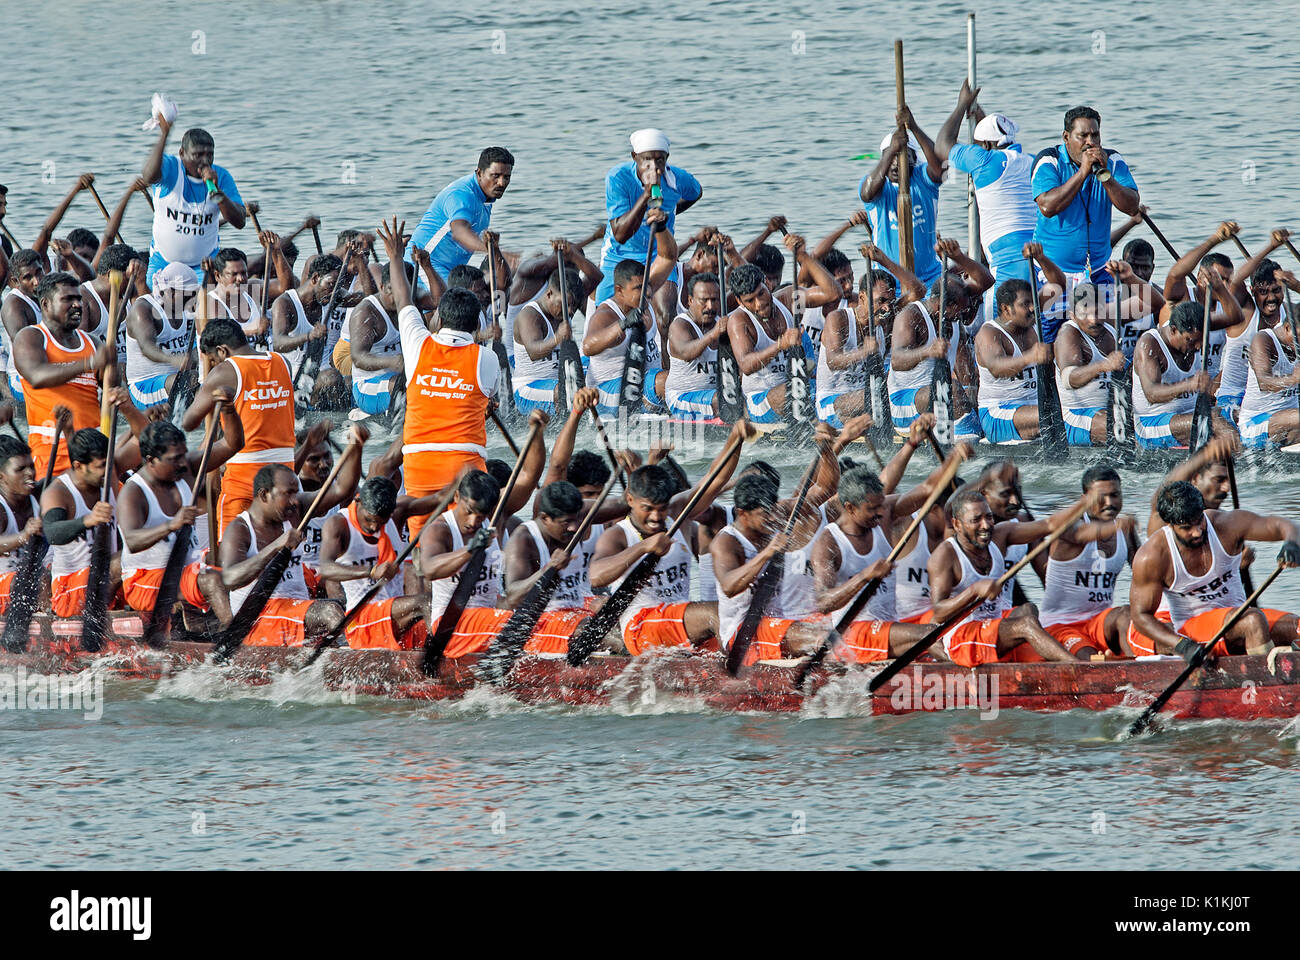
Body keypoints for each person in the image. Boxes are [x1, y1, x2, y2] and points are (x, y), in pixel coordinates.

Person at [379, 217, 498, 542]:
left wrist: (394, 257)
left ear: (439, 319)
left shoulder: (418, 345)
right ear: (476, 326)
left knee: (423, 544)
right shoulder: (486, 358)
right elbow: (487, 399)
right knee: (471, 542)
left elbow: (404, 300)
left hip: (420, 463)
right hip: (466, 465)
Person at [588, 424, 748, 656]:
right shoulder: (618, 534)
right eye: (647, 509)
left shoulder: (678, 512)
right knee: (717, 613)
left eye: (661, 509)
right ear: (630, 500)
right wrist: (644, 546)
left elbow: (716, 478)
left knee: (739, 613)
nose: (655, 517)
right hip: (641, 626)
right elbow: (596, 574)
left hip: (677, 618)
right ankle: (740, 672)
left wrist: (736, 438)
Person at [809, 455, 965, 663]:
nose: (881, 513)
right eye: (872, 509)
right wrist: (865, 576)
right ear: (850, 508)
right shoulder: (828, 543)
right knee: (931, 634)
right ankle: (966, 684)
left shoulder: (882, 518)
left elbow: (929, 488)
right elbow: (823, 603)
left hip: (888, 626)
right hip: (852, 634)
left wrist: (955, 457)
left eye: (881, 505)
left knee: (949, 632)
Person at [1128, 481, 1300, 658]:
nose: (1197, 532)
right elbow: (1141, 617)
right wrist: (1181, 646)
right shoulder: (1152, 556)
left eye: (1199, 521)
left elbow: (1287, 526)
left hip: (1238, 616)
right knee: (1253, 621)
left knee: (1297, 627)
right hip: (1193, 630)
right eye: (1187, 527)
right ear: (1170, 525)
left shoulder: (1226, 525)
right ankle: (1266, 679)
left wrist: (1292, 544)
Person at [219, 444, 363, 646]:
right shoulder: (240, 528)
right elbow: (230, 578)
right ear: (264, 495)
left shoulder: (295, 511)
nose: (295, 501)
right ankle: (352, 663)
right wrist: (276, 546)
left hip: (295, 609)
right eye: (288, 493)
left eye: (296, 493)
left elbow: (342, 490)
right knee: (330, 613)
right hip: (259, 618)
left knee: (352, 606)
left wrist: (356, 447)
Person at [927, 488, 1079, 665]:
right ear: (957, 524)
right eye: (976, 520)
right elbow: (938, 612)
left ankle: (1036, 659)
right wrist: (974, 591)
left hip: (992, 622)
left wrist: (1084, 503)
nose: (985, 525)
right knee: (1026, 625)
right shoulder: (945, 555)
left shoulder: (1000, 536)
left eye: (989, 517)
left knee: (1028, 609)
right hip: (961, 637)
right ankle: (1081, 669)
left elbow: (1049, 525)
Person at [118, 416, 242, 622]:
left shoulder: (186, 468)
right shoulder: (133, 493)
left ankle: (199, 619)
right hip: (146, 580)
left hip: (184, 570)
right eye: (175, 459)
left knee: (235, 556)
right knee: (211, 580)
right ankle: (237, 640)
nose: (183, 463)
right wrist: (171, 524)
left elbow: (233, 443)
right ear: (151, 461)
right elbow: (132, 541)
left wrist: (229, 409)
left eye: (183, 455)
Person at [183, 316, 296, 532]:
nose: (214, 365)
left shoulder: (226, 371)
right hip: (285, 473)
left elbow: (189, 422)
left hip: (244, 475)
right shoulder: (283, 362)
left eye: (213, 360)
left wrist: (207, 388)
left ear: (222, 351)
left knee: (230, 547)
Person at [710, 473, 831, 664]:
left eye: (774, 509)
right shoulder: (726, 542)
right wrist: (767, 552)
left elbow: (825, 489)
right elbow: (729, 587)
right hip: (745, 633)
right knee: (823, 638)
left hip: (782, 619)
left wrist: (827, 449)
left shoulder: (774, 517)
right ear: (742, 513)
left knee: (843, 628)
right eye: (765, 513)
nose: (774, 517)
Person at [727, 237, 841, 425]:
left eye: (761, 294)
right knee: (793, 389)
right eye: (750, 301)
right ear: (739, 302)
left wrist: (803, 256)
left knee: (828, 387)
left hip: (802, 388)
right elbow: (746, 365)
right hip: (762, 401)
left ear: (766, 282)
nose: (759, 303)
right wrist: (780, 345)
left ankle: (829, 419)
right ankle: (820, 421)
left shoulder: (788, 298)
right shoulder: (739, 320)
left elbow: (833, 293)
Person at [595, 128, 702, 323]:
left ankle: (664, 352)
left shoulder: (678, 179)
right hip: (620, 255)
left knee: (664, 316)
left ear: (667, 157)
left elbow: (696, 192)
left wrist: (670, 212)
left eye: (660, 160)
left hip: (659, 256)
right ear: (634, 157)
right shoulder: (617, 178)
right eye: (646, 160)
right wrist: (646, 195)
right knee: (606, 314)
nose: (654, 167)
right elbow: (620, 234)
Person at [935, 82, 1037, 285]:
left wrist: (962, 104)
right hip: (1038, 248)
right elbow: (993, 141)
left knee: (1006, 314)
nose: (976, 149)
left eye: (978, 145)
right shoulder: (1033, 161)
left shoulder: (984, 160)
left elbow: (942, 145)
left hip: (1006, 255)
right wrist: (977, 111)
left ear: (987, 146)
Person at [13, 273, 110, 478]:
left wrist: (112, 367)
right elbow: (37, 377)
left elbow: (113, 392)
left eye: (79, 299)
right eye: (68, 299)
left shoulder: (93, 343)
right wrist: (89, 363)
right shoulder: (31, 337)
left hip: (94, 454)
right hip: (51, 452)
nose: (77, 305)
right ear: (46, 304)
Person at [1031, 106, 1139, 286]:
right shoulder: (1049, 160)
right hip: (1052, 272)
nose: (1090, 142)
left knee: (1104, 314)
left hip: (1098, 270)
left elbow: (1132, 206)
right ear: (1066, 137)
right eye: (1083, 136)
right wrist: (1083, 172)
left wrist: (1106, 177)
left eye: (1095, 135)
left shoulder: (1112, 160)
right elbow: (1047, 207)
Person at [1037, 466, 1137, 659]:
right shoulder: (1069, 526)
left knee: (1127, 614)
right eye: (1101, 497)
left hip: (1100, 622)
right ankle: (1111, 664)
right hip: (1060, 625)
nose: (1109, 503)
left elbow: (1147, 573)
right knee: (1090, 659)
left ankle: (1141, 667)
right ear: (1085, 500)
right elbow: (1080, 536)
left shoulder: (1125, 531)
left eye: (1115, 495)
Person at [581, 219, 678, 416]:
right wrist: (623, 324)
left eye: (646, 286)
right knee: (667, 381)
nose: (645, 293)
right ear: (619, 290)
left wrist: (660, 227)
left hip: (643, 385)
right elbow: (588, 346)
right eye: (637, 289)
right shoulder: (606, 314)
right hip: (609, 392)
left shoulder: (643, 296)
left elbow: (669, 258)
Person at [316, 477, 427, 649]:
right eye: (369, 519)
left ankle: (432, 654)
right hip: (361, 619)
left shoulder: (395, 515)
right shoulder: (339, 524)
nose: (374, 527)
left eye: (380, 522)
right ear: (358, 500)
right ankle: (433, 659)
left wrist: (457, 488)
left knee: (432, 597)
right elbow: (326, 568)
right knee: (424, 603)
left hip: (392, 611)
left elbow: (439, 500)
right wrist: (371, 571)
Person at [974, 249, 1065, 443]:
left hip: (1034, 407)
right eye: (1025, 304)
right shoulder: (989, 333)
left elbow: (1058, 285)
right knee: (1054, 415)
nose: (1033, 308)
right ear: (1006, 309)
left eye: (1033, 302)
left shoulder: (1028, 318)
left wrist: (1041, 258)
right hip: (998, 413)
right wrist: (1030, 357)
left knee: (1060, 413)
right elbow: (997, 368)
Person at [140, 119, 246, 285]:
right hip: (163, 260)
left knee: (205, 307)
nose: (205, 161)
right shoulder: (171, 167)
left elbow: (240, 221)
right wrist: (164, 135)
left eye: (209, 155)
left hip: (204, 264)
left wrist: (218, 193)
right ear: (182, 153)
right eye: (197, 155)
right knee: (155, 303)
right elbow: (148, 176)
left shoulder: (221, 176)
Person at [886, 258, 980, 438]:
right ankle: (969, 439)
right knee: (949, 388)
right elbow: (897, 361)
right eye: (960, 310)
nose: (963, 314)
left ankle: (967, 430)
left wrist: (971, 391)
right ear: (943, 306)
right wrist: (927, 351)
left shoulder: (953, 319)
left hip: (936, 395)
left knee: (969, 389)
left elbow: (963, 362)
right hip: (905, 402)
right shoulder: (910, 316)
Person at [859, 106, 945, 287]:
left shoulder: (922, 178)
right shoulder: (876, 184)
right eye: (891, 158)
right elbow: (867, 194)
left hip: (929, 278)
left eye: (904, 156)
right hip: (887, 282)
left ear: (914, 158)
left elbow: (941, 168)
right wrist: (892, 150)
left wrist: (913, 126)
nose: (896, 164)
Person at [407, 147, 516, 282]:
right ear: (479, 173)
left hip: (451, 271)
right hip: (423, 265)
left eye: (507, 177)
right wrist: (494, 252)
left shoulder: (485, 196)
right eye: (495, 176)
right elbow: (459, 232)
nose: (502, 183)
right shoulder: (462, 195)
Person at [41, 427, 117, 617]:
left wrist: (128, 409)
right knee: (124, 562)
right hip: (70, 590)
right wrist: (88, 520)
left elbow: (142, 445)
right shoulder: (58, 493)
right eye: (101, 466)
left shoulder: (105, 478)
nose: (108, 471)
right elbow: (52, 533)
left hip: (105, 581)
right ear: (78, 466)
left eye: (109, 464)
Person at [1053, 280, 1126, 446]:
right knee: (1125, 428)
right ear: (1072, 315)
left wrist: (1128, 277)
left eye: (1098, 312)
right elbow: (1069, 379)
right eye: (1085, 314)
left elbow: (1150, 302)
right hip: (1076, 417)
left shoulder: (1110, 328)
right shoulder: (1068, 334)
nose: (1094, 320)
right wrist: (1104, 365)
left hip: (1112, 410)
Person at [1132, 300, 1213, 449]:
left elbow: (1235, 317)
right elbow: (1151, 394)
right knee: (1214, 422)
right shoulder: (1149, 344)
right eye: (1191, 341)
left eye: (1201, 340)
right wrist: (1188, 385)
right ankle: (1244, 466)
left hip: (1187, 417)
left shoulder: (1195, 339)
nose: (1198, 346)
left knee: (1233, 415)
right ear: (1173, 330)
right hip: (1151, 424)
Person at [512, 263, 582, 414]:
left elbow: (596, 277)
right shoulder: (530, 316)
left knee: (591, 369)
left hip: (557, 381)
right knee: (565, 390)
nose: (570, 311)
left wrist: (572, 254)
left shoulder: (561, 311)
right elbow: (533, 352)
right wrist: (557, 338)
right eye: (566, 305)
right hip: (528, 387)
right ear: (549, 294)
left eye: (574, 306)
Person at [125, 262, 194, 410]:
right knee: (191, 380)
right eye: (189, 295)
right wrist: (172, 359)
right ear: (170, 292)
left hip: (175, 379)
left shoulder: (185, 307)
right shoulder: (143, 309)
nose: (193, 300)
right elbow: (147, 348)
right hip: (144, 387)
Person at [347, 261, 408, 416]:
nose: (397, 297)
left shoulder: (412, 301)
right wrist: (390, 362)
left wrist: (427, 267)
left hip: (400, 378)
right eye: (391, 290)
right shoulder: (366, 312)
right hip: (367, 387)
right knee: (401, 385)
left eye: (402, 291)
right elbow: (358, 358)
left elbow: (436, 300)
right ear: (381, 287)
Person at [269, 254, 339, 379]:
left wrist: (360, 262)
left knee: (343, 379)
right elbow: (278, 343)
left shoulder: (330, 295)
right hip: (292, 376)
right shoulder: (285, 303)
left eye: (338, 287)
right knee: (332, 377)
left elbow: (365, 296)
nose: (334, 292)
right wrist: (309, 336)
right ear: (315, 278)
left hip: (319, 372)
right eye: (331, 284)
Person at [1239, 310, 1300, 449]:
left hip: (1291, 424)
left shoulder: (1295, 341)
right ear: (1287, 328)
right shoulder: (1263, 340)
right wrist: (1293, 379)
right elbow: (1264, 382)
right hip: (1255, 425)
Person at [665, 270, 722, 419]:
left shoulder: (720, 322)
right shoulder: (680, 325)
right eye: (704, 300)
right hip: (682, 398)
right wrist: (713, 335)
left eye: (714, 300)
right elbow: (686, 352)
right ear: (690, 300)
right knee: (726, 401)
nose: (710, 306)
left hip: (713, 395)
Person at [80, 244, 140, 372]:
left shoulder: (131, 290)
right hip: (101, 370)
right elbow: (80, 348)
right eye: (128, 278)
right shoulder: (83, 298)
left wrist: (141, 281)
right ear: (111, 275)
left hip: (134, 367)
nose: (132, 283)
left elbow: (151, 320)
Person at [0, 434, 41, 613]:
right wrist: (23, 536)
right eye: (20, 469)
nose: (30, 473)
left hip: (38, 580)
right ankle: (46, 627)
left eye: (31, 466)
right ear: (1, 477)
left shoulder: (43, 494)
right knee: (37, 577)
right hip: (6, 584)